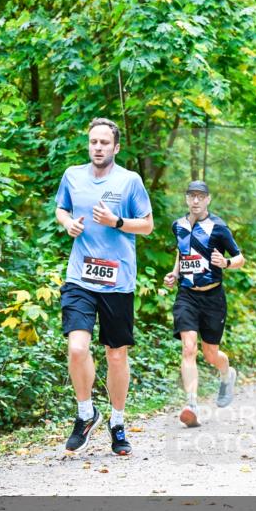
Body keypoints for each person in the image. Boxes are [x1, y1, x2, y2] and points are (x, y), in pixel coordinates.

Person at [55, 118, 153, 455]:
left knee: (115, 355)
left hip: (117, 280)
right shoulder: (73, 175)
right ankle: (86, 414)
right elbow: (61, 208)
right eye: (93, 142)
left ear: (116, 147)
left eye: (104, 143)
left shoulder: (130, 181)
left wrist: (117, 222)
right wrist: (68, 223)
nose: (98, 148)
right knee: (77, 348)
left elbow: (148, 226)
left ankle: (117, 421)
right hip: (80, 276)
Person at [163, 181, 245, 428]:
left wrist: (226, 263)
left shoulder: (219, 227)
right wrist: (175, 273)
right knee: (188, 348)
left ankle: (226, 373)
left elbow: (240, 257)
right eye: (191, 196)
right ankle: (191, 404)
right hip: (186, 295)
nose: (196, 201)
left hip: (213, 298)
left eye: (200, 196)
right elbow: (182, 251)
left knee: (211, 354)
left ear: (208, 199)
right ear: (186, 198)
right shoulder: (178, 225)